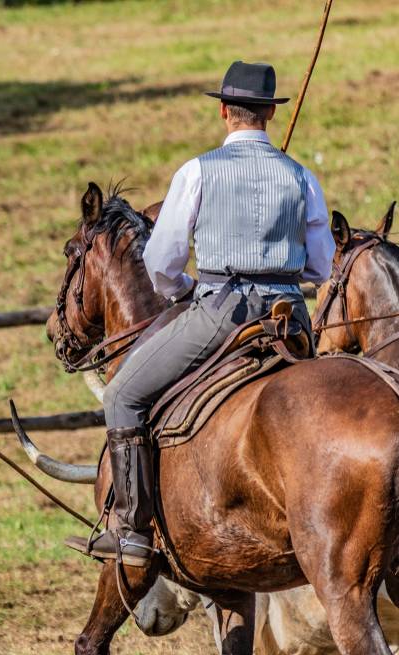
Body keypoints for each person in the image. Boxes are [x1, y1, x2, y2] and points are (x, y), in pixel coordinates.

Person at [69, 61, 334, 567]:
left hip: (223, 313)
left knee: (123, 395)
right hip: (291, 320)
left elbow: (160, 262)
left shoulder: (196, 172)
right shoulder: (301, 177)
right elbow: (321, 267)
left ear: (223, 112)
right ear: (269, 115)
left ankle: (132, 531)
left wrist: (186, 288)